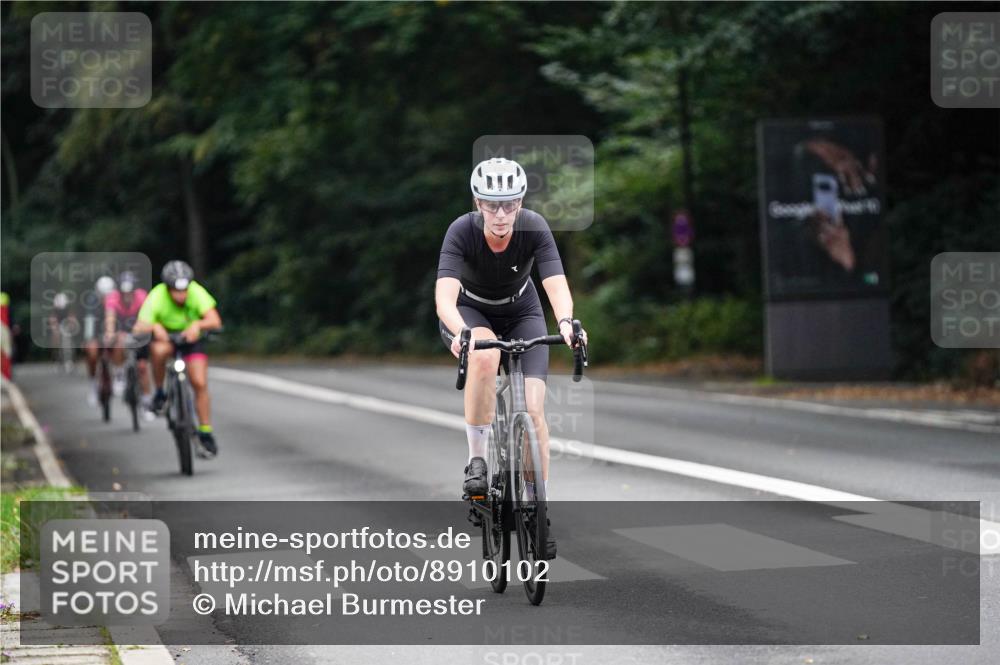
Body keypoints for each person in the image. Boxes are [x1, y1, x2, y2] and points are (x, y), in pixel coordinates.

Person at [435, 157, 586, 557]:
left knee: (534, 412)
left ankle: (538, 508)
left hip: (523, 311)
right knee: (484, 359)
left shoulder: (534, 227)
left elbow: (555, 283)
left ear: (520, 203)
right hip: (473, 313)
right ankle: (478, 464)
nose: (500, 214)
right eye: (490, 204)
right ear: (477, 203)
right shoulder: (461, 231)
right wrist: (462, 331)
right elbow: (445, 297)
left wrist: (568, 321)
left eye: (509, 204)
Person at [133, 260, 222, 458]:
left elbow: (215, 320)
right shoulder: (157, 295)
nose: (181, 295)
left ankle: (206, 432)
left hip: (190, 340)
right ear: (167, 287)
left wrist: (198, 325)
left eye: (184, 290)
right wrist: (155, 327)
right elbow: (139, 326)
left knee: (199, 382)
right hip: (167, 339)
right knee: (157, 351)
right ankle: (160, 393)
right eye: (175, 291)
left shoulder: (196, 291)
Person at [104, 270, 153, 419]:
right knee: (117, 340)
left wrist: (143, 330)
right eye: (123, 292)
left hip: (138, 330)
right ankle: (119, 373)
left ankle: (146, 403)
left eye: (129, 292)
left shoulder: (141, 296)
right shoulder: (112, 298)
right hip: (120, 331)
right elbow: (110, 318)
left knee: (143, 367)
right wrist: (110, 332)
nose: (126, 296)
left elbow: (148, 316)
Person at [84, 276, 116, 405]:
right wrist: (89, 339)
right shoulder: (92, 302)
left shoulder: (117, 300)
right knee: (91, 352)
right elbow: (89, 322)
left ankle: (120, 375)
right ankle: (93, 384)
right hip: (96, 333)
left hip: (113, 333)